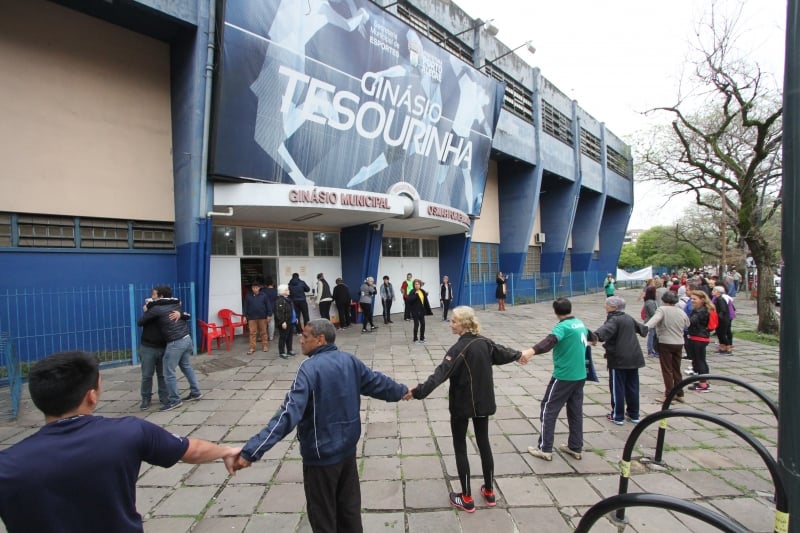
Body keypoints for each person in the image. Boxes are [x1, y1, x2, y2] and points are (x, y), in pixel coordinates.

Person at [0, 351, 240, 532]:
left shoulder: (8, 465)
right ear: (91, 396)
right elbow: (192, 450)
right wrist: (226, 451)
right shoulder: (129, 432)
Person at [232, 319, 408, 533]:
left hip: (321, 458)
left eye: (305, 336)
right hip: (346, 453)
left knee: (323, 518)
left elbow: (287, 415)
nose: (301, 340)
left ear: (320, 339)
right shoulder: (349, 360)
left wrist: (252, 450)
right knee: (349, 513)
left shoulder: (309, 369)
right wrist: (402, 391)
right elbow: (378, 383)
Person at [406, 307, 522, 512]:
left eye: (453, 321)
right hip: (484, 403)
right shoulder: (485, 342)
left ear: (464, 324)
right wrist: (519, 355)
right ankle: (489, 491)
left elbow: (440, 374)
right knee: (484, 443)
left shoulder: (458, 349)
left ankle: (466, 497)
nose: (451, 324)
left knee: (461, 446)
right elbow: (504, 353)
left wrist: (417, 392)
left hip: (462, 405)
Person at [521, 298, 593, 462]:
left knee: (548, 408)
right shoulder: (579, 323)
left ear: (555, 311)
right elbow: (592, 336)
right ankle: (575, 446)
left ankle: (544, 448)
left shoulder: (563, 327)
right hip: (580, 375)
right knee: (575, 410)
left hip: (564, 376)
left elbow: (550, 342)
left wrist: (530, 351)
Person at [137, 285, 201, 411]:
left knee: (167, 373)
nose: (151, 297)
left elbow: (186, 314)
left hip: (174, 343)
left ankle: (173, 399)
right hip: (183, 339)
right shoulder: (174, 304)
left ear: (160, 296)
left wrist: (148, 309)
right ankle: (195, 392)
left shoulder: (156, 308)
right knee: (149, 374)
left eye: (154, 295)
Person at [592, 296, 648, 425]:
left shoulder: (614, 319)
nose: (605, 306)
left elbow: (603, 331)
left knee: (617, 387)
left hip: (619, 359)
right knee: (633, 386)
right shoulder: (628, 317)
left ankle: (617, 415)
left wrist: (593, 337)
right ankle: (634, 414)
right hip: (634, 357)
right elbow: (642, 329)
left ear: (614, 307)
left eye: (607, 304)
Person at [645, 291, 690, 403]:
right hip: (679, 342)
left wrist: (643, 328)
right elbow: (687, 324)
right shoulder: (680, 311)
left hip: (665, 342)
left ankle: (669, 394)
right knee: (676, 368)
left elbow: (653, 321)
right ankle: (680, 393)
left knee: (667, 369)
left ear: (664, 300)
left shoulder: (662, 310)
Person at [686, 290, 714, 391]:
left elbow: (692, 321)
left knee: (700, 361)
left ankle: (704, 384)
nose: (692, 301)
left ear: (702, 300)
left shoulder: (702, 311)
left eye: (695, 299)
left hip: (699, 338)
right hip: (696, 336)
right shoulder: (698, 309)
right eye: (691, 298)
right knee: (697, 361)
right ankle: (701, 381)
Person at [243, 281, 271, 355]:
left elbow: (268, 305)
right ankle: (252, 347)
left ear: (259, 288)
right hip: (251, 317)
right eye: (253, 288)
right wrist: (244, 316)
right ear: (252, 288)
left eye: (256, 287)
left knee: (263, 332)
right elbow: (245, 306)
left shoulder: (264, 295)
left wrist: (269, 315)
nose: (255, 289)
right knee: (252, 333)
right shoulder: (248, 296)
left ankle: (265, 346)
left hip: (262, 316)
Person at [406, 279, 432, 344]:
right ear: (414, 285)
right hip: (415, 311)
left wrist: (427, 294)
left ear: (420, 285)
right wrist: (416, 295)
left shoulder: (422, 291)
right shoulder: (412, 291)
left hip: (421, 311)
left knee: (423, 324)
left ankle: (422, 338)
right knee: (416, 325)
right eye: (415, 284)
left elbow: (423, 299)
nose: (417, 285)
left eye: (418, 284)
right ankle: (415, 339)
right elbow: (409, 300)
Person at [274, 284, 297, 359]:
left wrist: (295, 318)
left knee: (290, 337)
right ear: (283, 292)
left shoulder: (289, 300)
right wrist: (282, 322)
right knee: (283, 337)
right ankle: (282, 352)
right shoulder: (279, 301)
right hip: (285, 322)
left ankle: (289, 350)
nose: (289, 291)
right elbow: (278, 313)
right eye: (287, 290)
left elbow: (292, 310)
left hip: (291, 321)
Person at [712, 285, 734, 354]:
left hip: (723, 320)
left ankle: (728, 348)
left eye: (714, 290)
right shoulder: (717, 299)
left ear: (718, 292)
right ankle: (722, 347)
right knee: (719, 334)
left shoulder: (720, 299)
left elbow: (723, 310)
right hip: (721, 319)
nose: (712, 292)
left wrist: (719, 317)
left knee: (722, 334)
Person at [643, 286, 659, 357]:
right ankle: (651, 350)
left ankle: (654, 350)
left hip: (650, 321)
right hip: (651, 322)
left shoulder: (650, 301)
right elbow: (653, 313)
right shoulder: (650, 302)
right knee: (651, 336)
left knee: (654, 336)